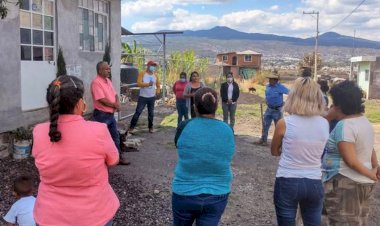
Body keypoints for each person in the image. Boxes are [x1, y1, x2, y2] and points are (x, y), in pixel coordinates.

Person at [32, 75, 120, 226]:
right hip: (94, 215)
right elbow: (113, 160)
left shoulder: (39, 132)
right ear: (80, 103)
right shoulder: (98, 130)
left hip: (49, 216)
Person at [172, 87, 235, 226]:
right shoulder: (227, 129)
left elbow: (178, 145)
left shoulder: (184, 126)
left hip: (184, 192)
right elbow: (228, 153)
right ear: (216, 106)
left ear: (194, 107)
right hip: (218, 194)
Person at [271, 77, 329, 225]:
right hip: (315, 180)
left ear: (293, 97)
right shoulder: (324, 123)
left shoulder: (284, 123)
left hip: (287, 179)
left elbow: (274, 151)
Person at [322, 80, 380, 225]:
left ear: (339, 105)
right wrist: (374, 167)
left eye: (333, 103)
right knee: (359, 220)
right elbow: (369, 147)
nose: (331, 106)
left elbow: (351, 160)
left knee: (342, 221)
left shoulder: (344, 126)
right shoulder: (364, 121)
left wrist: (372, 173)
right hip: (363, 182)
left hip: (345, 182)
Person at [91, 61, 130, 165]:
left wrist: (117, 103)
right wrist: (114, 105)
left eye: (109, 68)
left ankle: (118, 157)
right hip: (101, 115)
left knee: (115, 137)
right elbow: (101, 99)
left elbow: (115, 94)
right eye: (106, 69)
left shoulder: (108, 81)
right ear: (100, 71)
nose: (109, 70)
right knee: (101, 139)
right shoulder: (96, 83)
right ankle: (100, 160)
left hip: (110, 115)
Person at [254, 74, 289, 146]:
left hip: (277, 110)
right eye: (269, 79)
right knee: (265, 125)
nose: (269, 80)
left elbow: (291, 93)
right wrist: (266, 100)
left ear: (275, 80)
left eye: (271, 79)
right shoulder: (267, 86)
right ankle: (263, 140)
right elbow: (267, 95)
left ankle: (279, 143)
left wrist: (286, 103)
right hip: (269, 109)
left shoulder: (280, 87)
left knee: (278, 127)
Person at [128, 60, 161, 134]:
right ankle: (132, 127)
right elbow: (139, 83)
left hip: (152, 97)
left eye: (154, 66)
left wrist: (158, 91)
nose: (153, 67)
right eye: (152, 65)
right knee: (138, 112)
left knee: (151, 113)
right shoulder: (142, 73)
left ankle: (150, 127)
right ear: (148, 66)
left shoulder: (155, 75)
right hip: (143, 97)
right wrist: (147, 84)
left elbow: (158, 85)